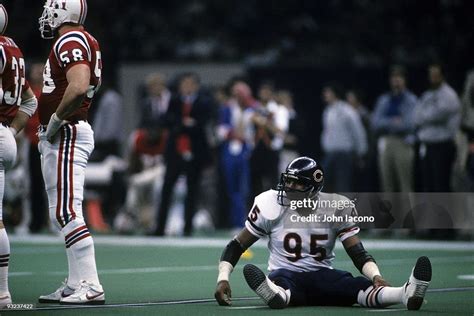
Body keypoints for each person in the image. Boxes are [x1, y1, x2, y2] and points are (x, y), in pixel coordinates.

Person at [214, 156, 432, 310]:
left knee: (359, 287)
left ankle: (405, 293)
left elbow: (357, 251)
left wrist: (375, 277)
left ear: (313, 188)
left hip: (321, 276)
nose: (288, 187)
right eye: (287, 181)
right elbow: (237, 244)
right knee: (282, 284)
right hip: (286, 274)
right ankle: (275, 294)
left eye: (296, 183)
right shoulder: (270, 202)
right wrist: (222, 279)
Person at [36, 0, 105, 304]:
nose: (46, 14)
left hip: (68, 131)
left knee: (67, 211)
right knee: (62, 212)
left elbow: (78, 86)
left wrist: (55, 120)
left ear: (63, 11)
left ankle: (90, 284)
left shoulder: (71, 38)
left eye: (51, 8)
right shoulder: (84, 38)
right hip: (71, 129)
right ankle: (76, 282)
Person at [0, 5, 38, 307]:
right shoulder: (11, 48)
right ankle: (1, 291)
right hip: (4, 134)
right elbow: (29, 99)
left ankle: (2, 292)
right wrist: (11, 131)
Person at [153, 73, 213, 236]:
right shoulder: (175, 101)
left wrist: (181, 124)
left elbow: (201, 125)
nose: (185, 87)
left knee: (192, 192)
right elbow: (166, 121)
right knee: (166, 190)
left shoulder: (203, 102)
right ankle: (159, 228)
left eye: (189, 84)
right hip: (175, 152)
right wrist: (184, 123)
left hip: (194, 153)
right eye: (183, 84)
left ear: (195, 86)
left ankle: (187, 228)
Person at [414, 64, 460, 192]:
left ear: (442, 76)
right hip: (427, 146)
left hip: (442, 146)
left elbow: (438, 114)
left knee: (441, 185)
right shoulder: (427, 95)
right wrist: (426, 115)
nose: (433, 78)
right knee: (428, 185)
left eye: (436, 75)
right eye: (431, 75)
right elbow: (416, 116)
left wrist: (425, 115)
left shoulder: (449, 95)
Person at [372, 66, 417, 192]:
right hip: (386, 142)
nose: (396, 80)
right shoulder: (384, 100)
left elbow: (409, 124)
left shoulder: (411, 100)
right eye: (394, 78)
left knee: (405, 185)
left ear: (404, 80)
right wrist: (394, 121)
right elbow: (375, 123)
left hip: (403, 142)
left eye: (399, 77)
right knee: (387, 185)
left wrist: (386, 122)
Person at [321, 84, 367, 192]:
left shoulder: (347, 110)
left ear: (334, 94)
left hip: (344, 154)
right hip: (330, 153)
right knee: (322, 180)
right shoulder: (328, 111)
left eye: (327, 92)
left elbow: (358, 131)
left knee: (343, 184)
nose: (325, 95)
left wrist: (361, 153)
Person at [23, 63, 49, 233]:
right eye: (36, 71)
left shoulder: (49, 90)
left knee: (49, 183)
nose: (38, 74)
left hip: (47, 143)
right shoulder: (26, 91)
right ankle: (32, 222)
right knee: (30, 185)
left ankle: (50, 221)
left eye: (41, 71)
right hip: (30, 143)